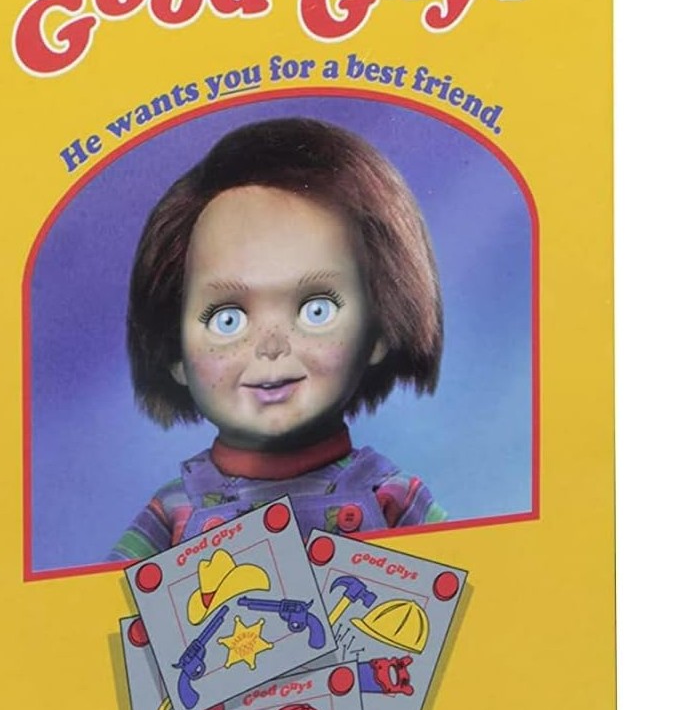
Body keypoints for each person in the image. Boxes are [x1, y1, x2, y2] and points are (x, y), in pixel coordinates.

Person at [112, 117, 444, 560]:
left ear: (379, 331)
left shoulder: (391, 497)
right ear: (173, 351)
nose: (271, 346)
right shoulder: (173, 511)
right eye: (227, 319)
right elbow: (101, 600)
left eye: (316, 310)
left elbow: (479, 583)